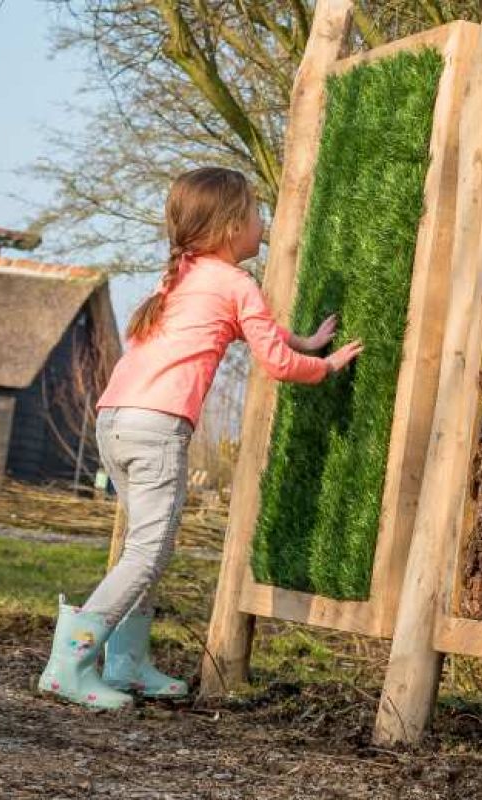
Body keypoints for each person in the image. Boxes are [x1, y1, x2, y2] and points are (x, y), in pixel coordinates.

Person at [39, 166, 363, 709]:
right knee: (147, 552)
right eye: (257, 214)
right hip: (158, 425)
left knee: (145, 549)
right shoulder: (237, 282)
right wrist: (325, 366)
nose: (264, 224)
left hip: (116, 419)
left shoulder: (184, 275)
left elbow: (255, 329)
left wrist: (304, 338)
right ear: (232, 225)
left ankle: (127, 663)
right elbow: (276, 363)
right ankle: (68, 665)